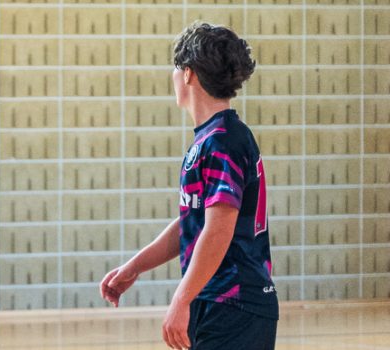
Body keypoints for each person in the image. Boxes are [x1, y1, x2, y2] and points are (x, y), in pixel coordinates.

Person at [98, 22, 274, 350]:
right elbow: (194, 224)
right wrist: (134, 267)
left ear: (189, 73)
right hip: (217, 302)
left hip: (235, 305)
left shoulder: (224, 141)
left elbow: (218, 231)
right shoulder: (211, 139)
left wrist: (180, 300)